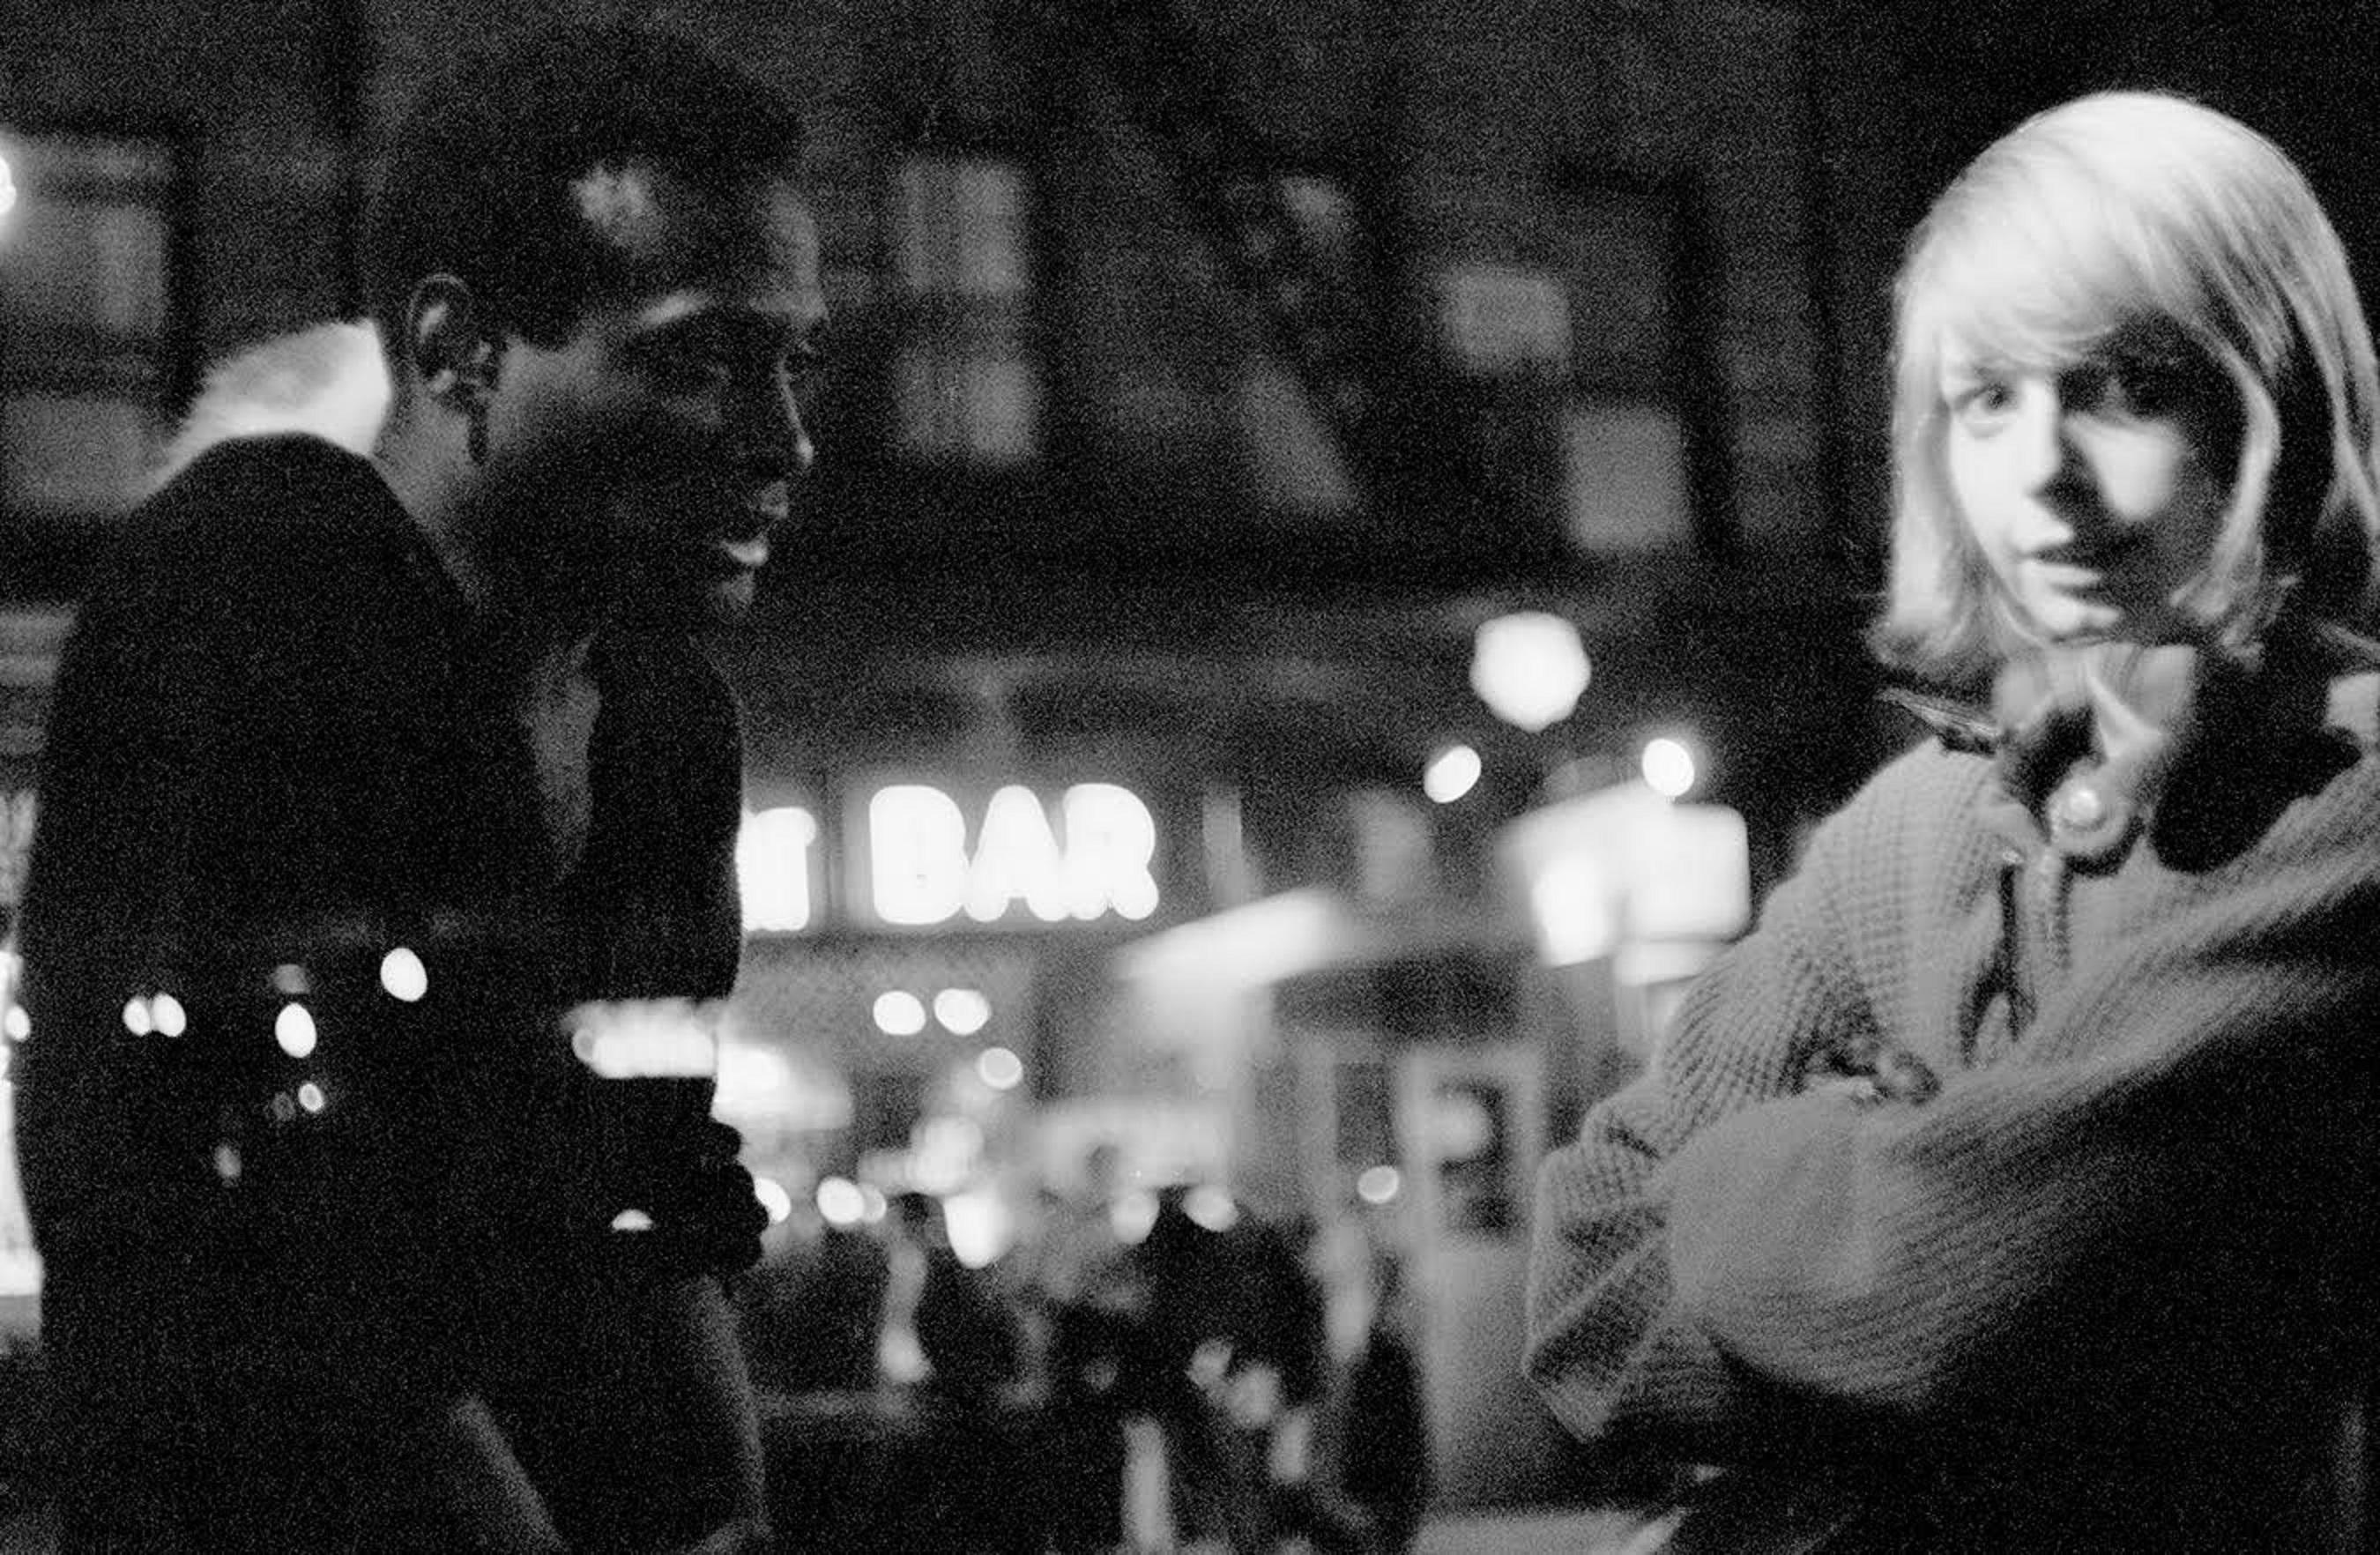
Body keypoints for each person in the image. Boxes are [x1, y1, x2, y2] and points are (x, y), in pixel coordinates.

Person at [1525, 91, 2380, 1553]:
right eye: (1987, 397)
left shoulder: (2348, 804)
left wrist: (1766, 1173)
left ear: (2275, 403)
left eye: (2123, 383)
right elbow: (1587, 1295)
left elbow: (1934, 1287)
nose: (2043, 468)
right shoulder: (1912, 829)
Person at [12, 21, 828, 1552]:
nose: (782, 440)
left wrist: (729, 1523)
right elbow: (249, 1253)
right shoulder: (247, 593)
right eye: (701, 359)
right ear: (459, 351)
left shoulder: (660, 716)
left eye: (798, 361)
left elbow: (659, 1183)